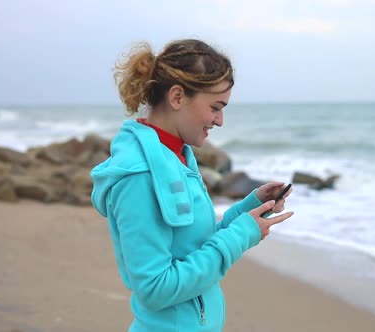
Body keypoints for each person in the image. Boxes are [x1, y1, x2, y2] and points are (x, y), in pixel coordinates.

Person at [90, 39, 294, 332]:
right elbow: (155, 288)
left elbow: (192, 245)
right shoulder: (139, 176)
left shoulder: (175, 156)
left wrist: (249, 210)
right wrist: (239, 237)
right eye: (215, 107)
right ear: (177, 97)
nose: (220, 121)